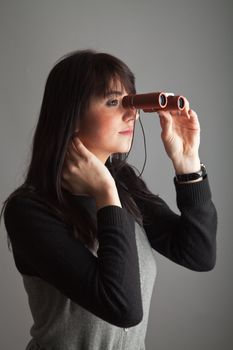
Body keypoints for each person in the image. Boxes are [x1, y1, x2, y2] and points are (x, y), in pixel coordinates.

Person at [1, 49, 217, 350]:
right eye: (113, 101)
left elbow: (198, 253)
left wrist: (187, 163)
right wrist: (105, 194)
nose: (131, 112)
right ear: (71, 114)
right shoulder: (28, 211)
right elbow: (122, 307)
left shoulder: (122, 181)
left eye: (130, 100)